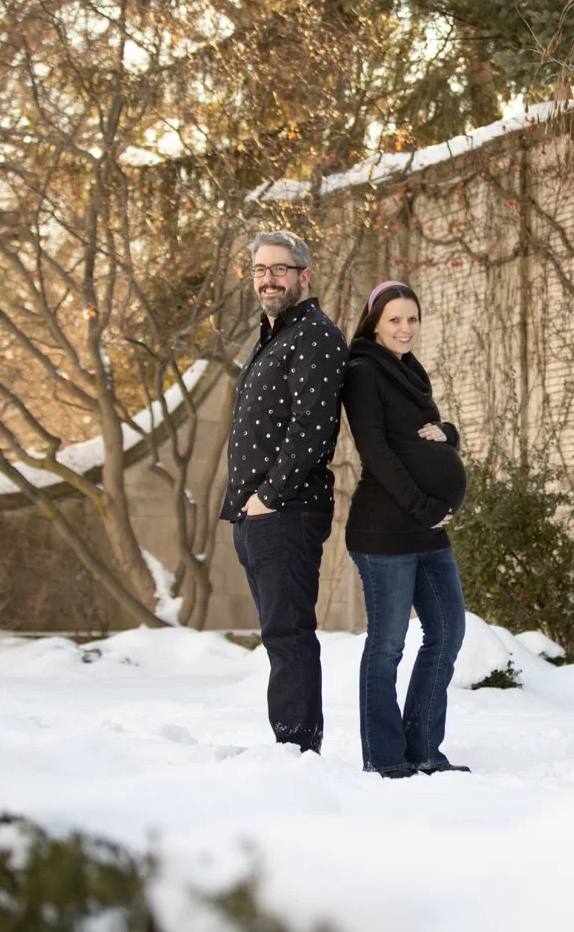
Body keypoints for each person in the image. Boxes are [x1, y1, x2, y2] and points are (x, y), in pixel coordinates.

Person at [220, 230, 348, 754]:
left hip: (286, 512)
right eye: (260, 270)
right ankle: (291, 747)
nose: (268, 279)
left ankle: (297, 752)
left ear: (304, 276)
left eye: (280, 269)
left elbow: (313, 428)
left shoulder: (315, 335)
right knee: (279, 637)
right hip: (258, 517)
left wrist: (269, 496)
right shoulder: (272, 336)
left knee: (289, 636)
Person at [342, 280, 470, 778]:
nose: (405, 328)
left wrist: (450, 434)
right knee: (388, 643)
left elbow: (426, 436)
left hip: (427, 531)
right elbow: (376, 449)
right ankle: (385, 756)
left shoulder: (410, 372)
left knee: (447, 632)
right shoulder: (364, 371)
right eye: (395, 319)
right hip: (385, 534)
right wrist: (422, 504)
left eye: (412, 318)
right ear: (375, 322)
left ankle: (423, 748)